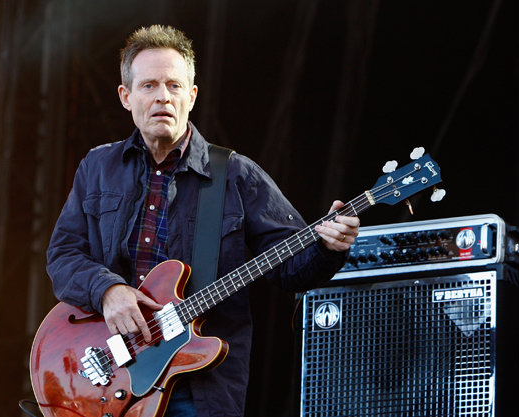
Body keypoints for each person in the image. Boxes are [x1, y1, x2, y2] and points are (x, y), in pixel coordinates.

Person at [46, 25, 360, 417]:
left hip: (198, 390)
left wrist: (328, 247)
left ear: (191, 96)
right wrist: (107, 290)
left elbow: (293, 270)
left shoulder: (236, 175)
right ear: (126, 97)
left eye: (174, 86)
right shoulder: (97, 167)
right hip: (109, 378)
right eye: (149, 85)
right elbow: (63, 256)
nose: (163, 96)